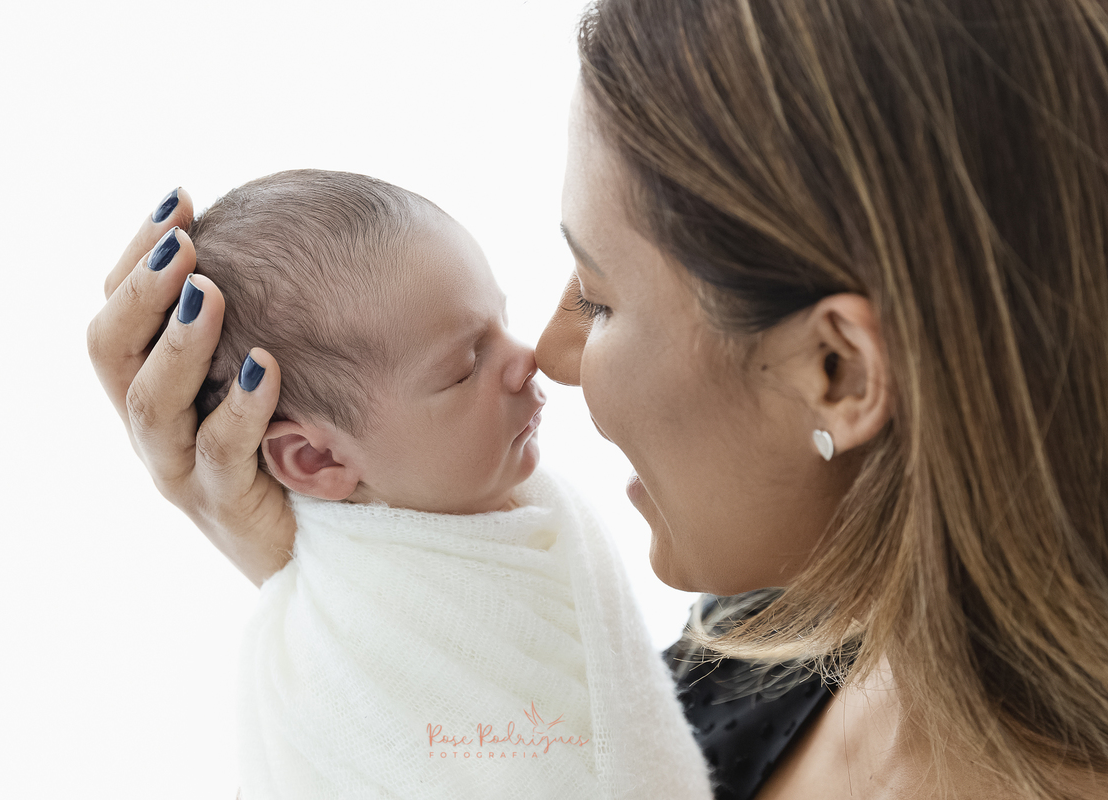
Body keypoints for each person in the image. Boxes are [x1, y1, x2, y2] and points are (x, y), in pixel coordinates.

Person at [87, 0, 1108, 798]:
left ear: (837, 372)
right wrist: (355, 582)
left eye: (603, 298)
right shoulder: (757, 650)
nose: (551, 352)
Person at [148, 168, 713, 799]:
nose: (528, 357)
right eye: (466, 365)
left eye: (501, 319)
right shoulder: (347, 655)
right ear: (313, 460)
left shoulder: (515, 515)